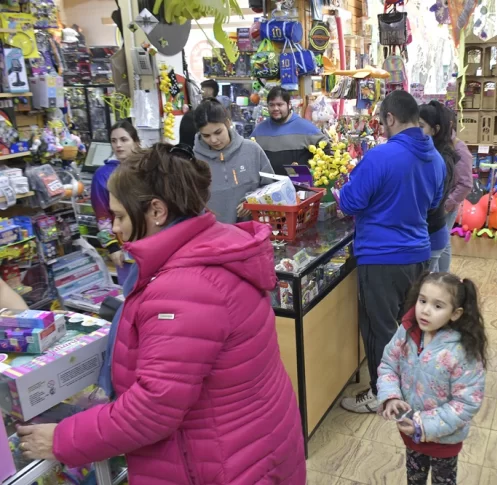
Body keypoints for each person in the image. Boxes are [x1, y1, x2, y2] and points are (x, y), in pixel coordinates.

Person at [17, 143, 306, 485]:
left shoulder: (185, 287)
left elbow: (152, 409)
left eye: (121, 216)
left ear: (156, 210)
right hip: (254, 445)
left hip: (224, 463)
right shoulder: (214, 244)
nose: (114, 228)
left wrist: (63, 439)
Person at [339, 90, 446, 413]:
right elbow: (434, 203)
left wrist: (346, 186)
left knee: (380, 328)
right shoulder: (436, 158)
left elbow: (349, 202)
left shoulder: (381, 156)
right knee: (409, 324)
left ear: (390, 118)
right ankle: (408, 381)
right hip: (418, 253)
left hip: (381, 256)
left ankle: (380, 392)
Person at [377, 272, 487, 485]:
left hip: (444, 441)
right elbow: (389, 365)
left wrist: (423, 425)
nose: (425, 310)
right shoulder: (406, 331)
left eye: (438, 306)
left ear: (455, 313)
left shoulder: (462, 352)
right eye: (422, 300)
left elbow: (466, 403)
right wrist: (391, 397)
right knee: (414, 479)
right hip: (411, 434)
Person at [193, 98, 274, 224]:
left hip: (252, 234)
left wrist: (253, 200)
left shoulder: (252, 150)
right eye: (206, 136)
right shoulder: (194, 161)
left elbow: (271, 187)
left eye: (218, 132)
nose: (213, 140)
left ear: (228, 123)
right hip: (211, 237)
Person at [91, 119, 140, 285]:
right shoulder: (102, 175)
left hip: (151, 242)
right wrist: (112, 246)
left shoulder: (146, 168)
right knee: (132, 293)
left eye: (124, 140)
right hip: (123, 246)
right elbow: (101, 214)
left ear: (136, 142)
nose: (118, 145)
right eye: (114, 141)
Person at [251, 87, 329, 175]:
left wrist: (313, 172)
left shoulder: (305, 127)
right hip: (267, 185)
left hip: (298, 186)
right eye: (271, 105)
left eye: (280, 104)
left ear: (289, 105)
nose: (275, 108)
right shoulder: (259, 130)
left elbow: (328, 151)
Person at [418, 101, 456, 272]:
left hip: (430, 232)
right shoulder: (426, 153)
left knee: (421, 287)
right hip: (425, 231)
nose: (414, 131)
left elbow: (432, 201)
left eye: (420, 126)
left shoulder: (441, 159)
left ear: (435, 130)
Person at [440, 111, 473, 273]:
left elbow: (466, 184)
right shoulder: (441, 144)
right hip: (438, 203)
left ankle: (442, 278)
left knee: (443, 240)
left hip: (447, 204)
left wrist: (447, 204)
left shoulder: (459, 148)